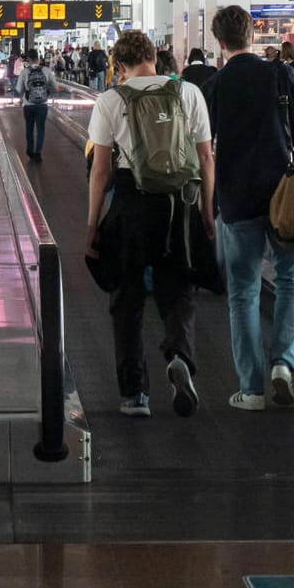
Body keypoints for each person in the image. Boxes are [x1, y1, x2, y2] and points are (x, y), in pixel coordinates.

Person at [86, 30, 214, 417]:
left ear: (120, 66)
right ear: (155, 58)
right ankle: (178, 356)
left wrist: (92, 225)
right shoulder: (188, 92)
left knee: (126, 297)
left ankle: (134, 394)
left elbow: (101, 170)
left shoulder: (111, 100)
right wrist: (207, 211)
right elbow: (206, 158)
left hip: (131, 201)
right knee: (178, 286)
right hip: (179, 203)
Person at [200, 5, 294, 411]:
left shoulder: (215, 86)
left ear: (219, 42)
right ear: (253, 34)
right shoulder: (281, 74)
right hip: (287, 196)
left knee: (244, 293)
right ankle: (283, 363)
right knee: (291, 280)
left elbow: (203, 150)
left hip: (237, 198)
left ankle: (250, 390)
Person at [20, 48, 52, 161]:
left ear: (28, 59)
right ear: (38, 59)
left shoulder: (25, 72)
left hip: (28, 105)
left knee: (29, 127)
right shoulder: (46, 70)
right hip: (42, 104)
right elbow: (53, 86)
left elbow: (19, 89)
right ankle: (38, 152)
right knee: (41, 129)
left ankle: (30, 149)